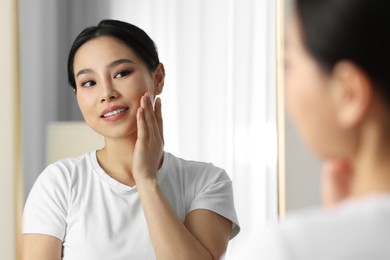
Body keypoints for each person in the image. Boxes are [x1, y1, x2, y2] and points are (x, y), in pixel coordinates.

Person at [22, 19, 239, 260]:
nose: (107, 93)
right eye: (89, 83)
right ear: (78, 96)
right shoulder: (59, 183)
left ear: (158, 78)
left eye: (121, 73)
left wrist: (146, 180)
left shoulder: (207, 182)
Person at [257, 0, 390, 259]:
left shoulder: (283, 250)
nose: (285, 92)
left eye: (288, 64)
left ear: (349, 93)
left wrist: (342, 232)